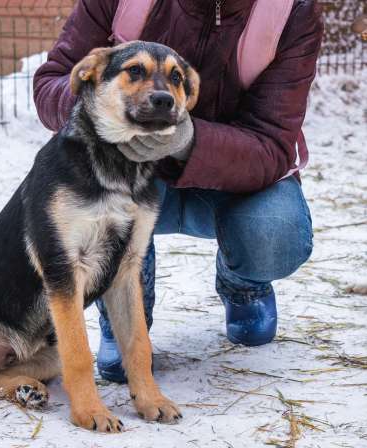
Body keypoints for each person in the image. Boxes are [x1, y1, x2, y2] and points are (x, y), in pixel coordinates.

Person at [33, 0, 323, 383]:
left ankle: (243, 286)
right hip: (135, 174)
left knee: (276, 232)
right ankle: (125, 323)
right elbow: (52, 81)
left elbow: (271, 142)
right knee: (103, 198)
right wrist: (101, 111)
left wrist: (187, 140)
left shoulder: (291, 10)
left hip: (240, 177)